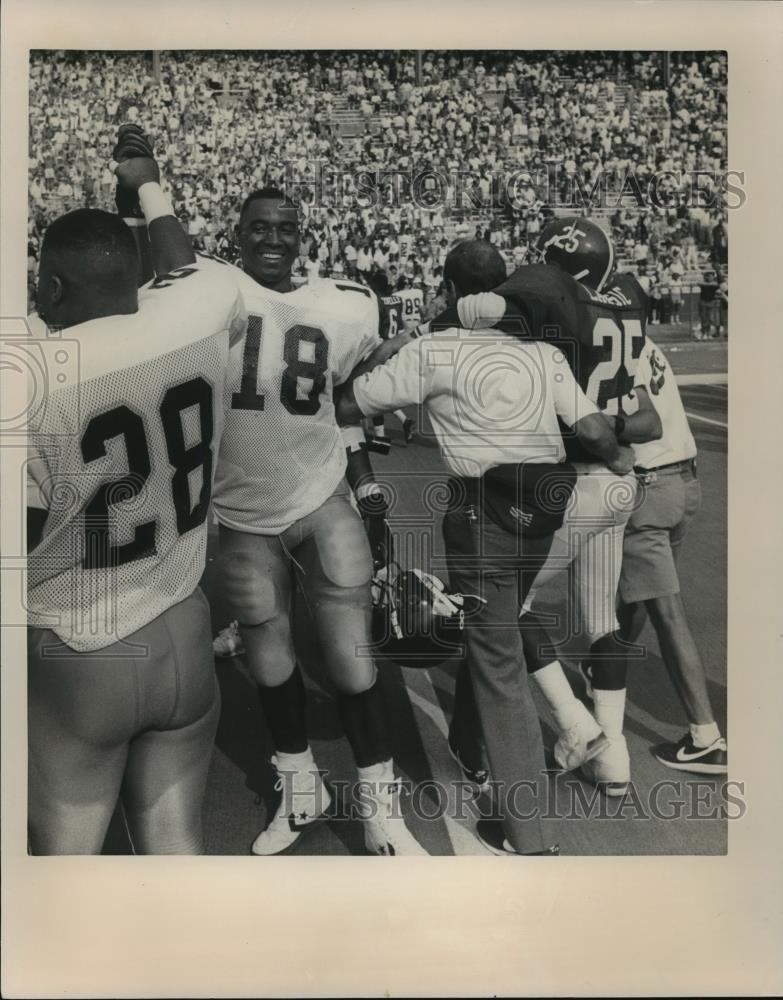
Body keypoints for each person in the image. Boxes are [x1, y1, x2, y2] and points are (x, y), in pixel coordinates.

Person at [336, 239, 636, 856]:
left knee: (497, 663)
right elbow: (595, 430)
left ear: (448, 291)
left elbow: (348, 403)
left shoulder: (433, 350)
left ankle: (528, 832)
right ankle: (475, 751)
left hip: (484, 516)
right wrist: (622, 458)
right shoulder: (540, 352)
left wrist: (389, 350)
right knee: (495, 634)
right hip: (545, 507)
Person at [167, 182, 426, 856]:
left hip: (319, 496)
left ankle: (379, 809)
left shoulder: (343, 307)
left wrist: (368, 492)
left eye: (286, 228)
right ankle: (299, 790)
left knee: (349, 656)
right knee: (268, 652)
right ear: (237, 232)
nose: (273, 239)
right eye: (259, 227)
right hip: (242, 513)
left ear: (303, 233)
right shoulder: (210, 292)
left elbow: (347, 400)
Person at [26, 150, 247, 854]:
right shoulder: (198, 313)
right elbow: (186, 266)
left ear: (52, 285)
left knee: (67, 864)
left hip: (83, 646)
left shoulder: (31, 381)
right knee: (176, 851)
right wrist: (147, 187)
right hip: (183, 622)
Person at [430, 219, 662, 798]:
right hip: (618, 481)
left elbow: (468, 317)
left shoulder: (542, 293)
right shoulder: (630, 297)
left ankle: (573, 724)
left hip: (569, 483)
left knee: (506, 606)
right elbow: (648, 419)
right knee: (600, 621)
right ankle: (615, 761)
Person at [615, 338, 727, 774]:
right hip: (685, 480)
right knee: (641, 590)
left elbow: (640, 423)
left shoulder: (615, 347)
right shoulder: (645, 342)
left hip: (652, 484)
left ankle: (705, 736)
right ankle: (605, 671)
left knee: (667, 611)